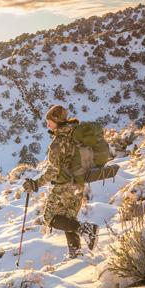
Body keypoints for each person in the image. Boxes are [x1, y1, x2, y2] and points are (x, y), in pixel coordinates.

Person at [23, 105, 99, 259]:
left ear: (56, 120)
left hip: (64, 186)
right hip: (78, 182)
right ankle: (75, 254)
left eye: (49, 121)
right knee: (68, 219)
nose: (47, 124)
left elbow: (53, 171)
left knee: (50, 218)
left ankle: (88, 230)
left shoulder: (58, 142)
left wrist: (36, 184)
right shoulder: (74, 133)